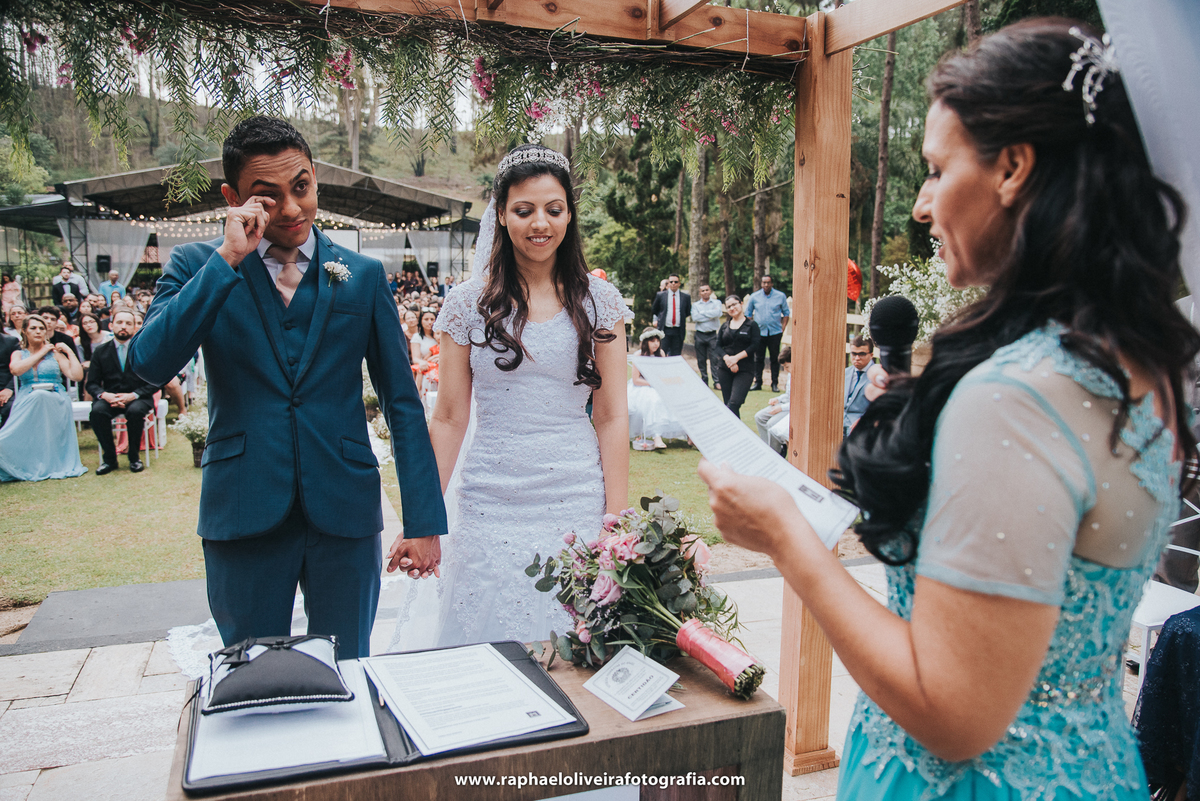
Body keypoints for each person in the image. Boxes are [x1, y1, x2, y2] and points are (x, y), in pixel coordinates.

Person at [698, 19, 1197, 801]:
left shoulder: (1017, 397)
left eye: (937, 168)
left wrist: (787, 540)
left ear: (1014, 167)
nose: (924, 204)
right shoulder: (1144, 364)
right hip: (1093, 772)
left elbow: (954, 711)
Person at [131, 115, 445, 659]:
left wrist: (422, 522)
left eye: (301, 187)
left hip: (344, 511)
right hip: (243, 509)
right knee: (251, 678)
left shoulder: (363, 275)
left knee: (349, 669)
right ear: (234, 197)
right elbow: (148, 365)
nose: (293, 208)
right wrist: (228, 258)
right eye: (268, 196)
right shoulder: (196, 265)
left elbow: (402, 403)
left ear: (315, 177)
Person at [388, 143, 628, 650]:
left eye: (553, 209)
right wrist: (424, 521)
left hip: (576, 496)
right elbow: (450, 418)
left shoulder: (600, 302)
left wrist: (617, 523)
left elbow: (610, 417)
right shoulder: (465, 304)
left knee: (575, 652)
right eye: (524, 210)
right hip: (488, 501)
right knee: (483, 652)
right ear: (501, 215)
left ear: (569, 215)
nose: (539, 223)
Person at [0, 316, 86, 482]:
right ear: (24, 331)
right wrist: (42, 351)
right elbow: (16, 370)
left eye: (41, 328)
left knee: (40, 396)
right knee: (36, 398)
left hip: (55, 398)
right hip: (27, 399)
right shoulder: (19, 353)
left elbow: (76, 375)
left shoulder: (55, 355)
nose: (38, 331)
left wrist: (69, 352)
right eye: (33, 328)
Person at [87, 309, 156, 474]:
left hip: (138, 397)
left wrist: (133, 395)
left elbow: (155, 382)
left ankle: (134, 457)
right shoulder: (100, 351)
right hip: (110, 397)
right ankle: (110, 459)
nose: (123, 326)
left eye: (128, 323)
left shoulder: (144, 350)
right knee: (97, 412)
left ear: (134, 328)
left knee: (135, 411)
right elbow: (92, 383)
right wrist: (105, 395)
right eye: (119, 322)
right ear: (111, 325)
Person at [628, 327, 687, 450]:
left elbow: (663, 374)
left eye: (657, 341)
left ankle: (689, 435)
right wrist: (652, 383)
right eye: (652, 341)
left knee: (677, 398)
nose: (656, 344)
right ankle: (656, 436)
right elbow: (636, 380)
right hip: (643, 386)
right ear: (645, 342)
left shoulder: (661, 354)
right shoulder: (638, 355)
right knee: (654, 401)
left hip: (659, 385)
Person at [715, 294, 759, 418]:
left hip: (745, 370)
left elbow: (755, 345)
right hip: (725, 369)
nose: (732, 308)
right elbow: (718, 347)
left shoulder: (751, 325)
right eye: (729, 306)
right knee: (728, 403)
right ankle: (733, 434)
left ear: (741, 304)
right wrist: (727, 359)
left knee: (734, 402)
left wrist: (736, 358)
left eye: (734, 304)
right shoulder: (724, 326)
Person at [744, 274, 790, 392]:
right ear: (761, 284)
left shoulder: (780, 296)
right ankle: (758, 382)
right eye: (764, 282)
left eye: (768, 282)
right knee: (758, 358)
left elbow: (786, 313)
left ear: (772, 283)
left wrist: (783, 327)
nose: (766, 285)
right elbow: (748, 313)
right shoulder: (755, 297)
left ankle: (774, 383)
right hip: (759, 332)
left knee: (774, 358)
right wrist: (752, 328)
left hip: (775, 332)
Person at [754, 346, 791, 452]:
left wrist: (781, 408)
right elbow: (788, 394)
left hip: (790, 408)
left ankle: (777, 451)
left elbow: (799, 402)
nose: (785, 370)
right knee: (759, 417)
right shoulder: (790, 375)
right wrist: (778, 399)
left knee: (771, 424)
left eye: (787, 366)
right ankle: (768, 449)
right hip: (785, 404)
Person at [691, 283, 723, 389]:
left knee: (715, 359)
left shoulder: (717, 302)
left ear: (710, 291)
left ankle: (717, 381)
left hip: (712, 335)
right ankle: (704, 381)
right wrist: (710, 315)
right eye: (703, 290)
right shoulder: (696, 305)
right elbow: (695, 317)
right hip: (700, 334)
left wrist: (703, 313)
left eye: (707, 290)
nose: (705, 292)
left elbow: (718, 313)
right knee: (701, 359)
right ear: (700, 293)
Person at [651, 274, 690, 357]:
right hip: (664, 330)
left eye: (676, 282)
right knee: (661, 353)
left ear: (679, 283)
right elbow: (655, 309)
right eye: (671, 282)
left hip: (678, 331)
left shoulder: (685, 297)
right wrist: (661, 319)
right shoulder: (661, 295)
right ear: (668, 283)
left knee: (676, 355)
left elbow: (687, 312)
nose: (673, 283)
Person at [843, 335, 874, 437]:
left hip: (863, 428)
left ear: (871, 355)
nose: (857, 358)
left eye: (862, 354)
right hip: (838, 426)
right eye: (854, 354)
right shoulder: (845, 373)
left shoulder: (877, 376)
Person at [0, 329, 16, 426]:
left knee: (10, 407)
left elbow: (19, 370)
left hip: (6, 387)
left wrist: (9, 389)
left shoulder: (10, 342)